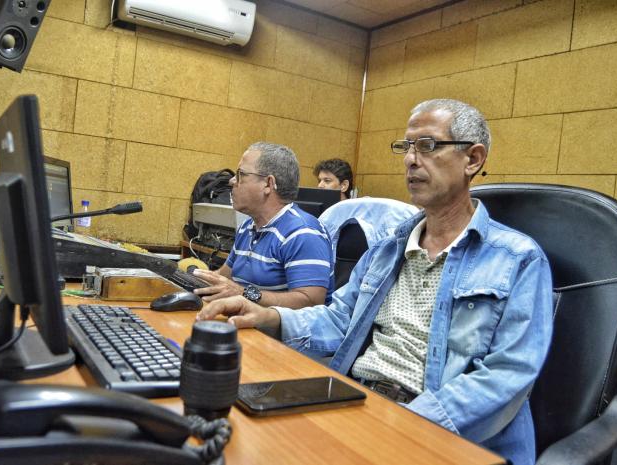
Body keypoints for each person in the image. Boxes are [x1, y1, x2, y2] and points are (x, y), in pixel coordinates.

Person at [198, 100, 554, 464]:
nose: (410, 159)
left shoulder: (518, 259)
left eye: (427, 145)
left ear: (473, 159)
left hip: (435, 432)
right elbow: (338, 319)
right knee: (226, 438)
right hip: (359, 403)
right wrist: (268, 316)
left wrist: (403, 423)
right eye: (406, 147)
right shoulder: (387, 249)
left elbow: (506, 377)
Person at [193, 142, 334, 308]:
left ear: (268, 184)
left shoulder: (304, 233)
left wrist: (243, 293)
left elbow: (310, 302)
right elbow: (224, 278)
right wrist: (187, 278)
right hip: (245, 321)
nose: (231, 181)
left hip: (279, 326)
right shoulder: (247, 227)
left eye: (241, 175)